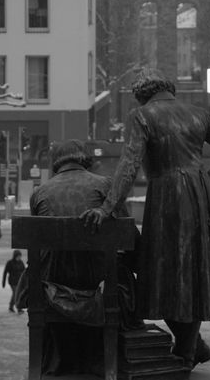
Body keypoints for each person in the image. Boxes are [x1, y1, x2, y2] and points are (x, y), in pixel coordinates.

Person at [81, 68, 210, 370]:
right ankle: (190, 346)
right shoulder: (199, 113)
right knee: (194, 271)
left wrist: (107, 208)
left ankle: (187, 348)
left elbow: (129, 165)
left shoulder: (143, 115)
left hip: (169, 196)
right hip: (202, 194)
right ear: (169, 90)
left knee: (161, 269)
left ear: (142, 96)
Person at [31, 139, 141, 375]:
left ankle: (61, 358)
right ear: (85, 159)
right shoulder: (105, 186)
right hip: (99, 283)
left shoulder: (40, 193)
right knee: (125, 273)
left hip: (53, 284)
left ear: (55, 164)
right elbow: (129, 237)